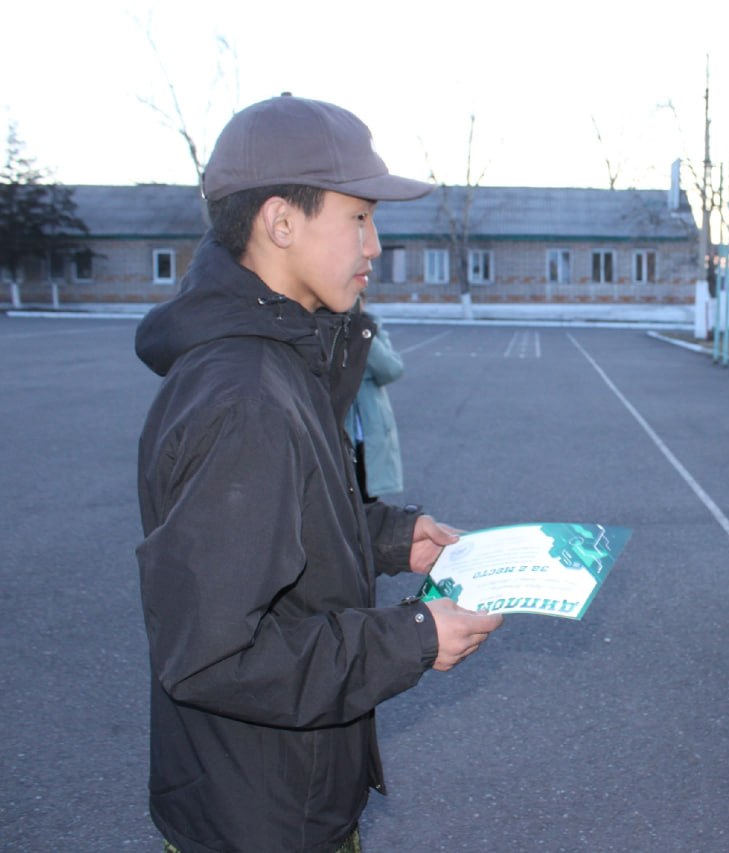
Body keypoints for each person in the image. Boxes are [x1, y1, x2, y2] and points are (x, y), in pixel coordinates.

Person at [134, 94, 503, 852]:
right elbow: (215, 652)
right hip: (260, 823)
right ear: (280, 222)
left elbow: (285, 521)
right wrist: (413, 636)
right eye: (359, 217)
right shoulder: (246, 397)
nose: (375, 245)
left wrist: (400, 539)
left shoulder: (278, 360)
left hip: (272, 797)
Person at [345, 297, 407, 501]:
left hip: (370, 434)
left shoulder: (371, 329)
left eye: (358, 299)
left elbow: (392, 370)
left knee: (369, 503)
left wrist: (364, 337)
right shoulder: (327, 329)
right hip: (341, 437)